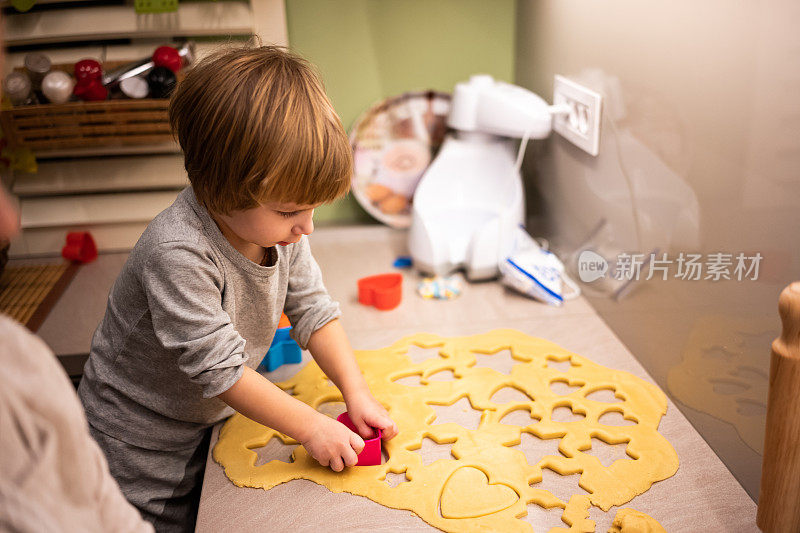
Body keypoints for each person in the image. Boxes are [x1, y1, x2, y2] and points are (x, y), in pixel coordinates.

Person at [77, 45, 398, 532]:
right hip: (137, 442)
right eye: (290, 210)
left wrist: (357, 393)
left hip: (203, 420)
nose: (305, 227)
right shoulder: (178, 252)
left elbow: (314, 309)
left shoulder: (276, 231)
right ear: (222, 187)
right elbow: (219, 372)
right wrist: (312, 427)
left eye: (312, 210)